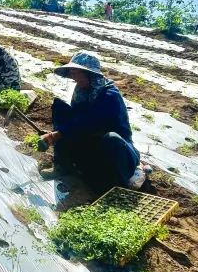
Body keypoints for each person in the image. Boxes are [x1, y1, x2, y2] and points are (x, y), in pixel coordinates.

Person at [40, 52, 143, 189]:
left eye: (76, 73)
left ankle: (118, 183)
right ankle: (62, 165)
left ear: (90, 74)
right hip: (93, 143)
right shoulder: (81, 92)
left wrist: (58, 134)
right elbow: (76, 121)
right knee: (60, 107)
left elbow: (89, 121)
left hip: (117, 151)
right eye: (72, 73)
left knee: (111, 139)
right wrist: (57, 132)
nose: (73, 77)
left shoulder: (110, 95)